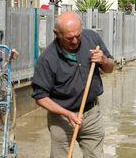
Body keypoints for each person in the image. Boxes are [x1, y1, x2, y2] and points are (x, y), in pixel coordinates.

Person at [32, 12, 115, 158]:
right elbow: (40, 98)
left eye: (78, 35)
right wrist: (67, 114)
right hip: (61, 118)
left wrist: (103, 60)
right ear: (57, 34)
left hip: (91, 114)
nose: (75, 41)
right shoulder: (47, 59)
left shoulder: (92, 39)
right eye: (69, 38)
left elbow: (110, 69)